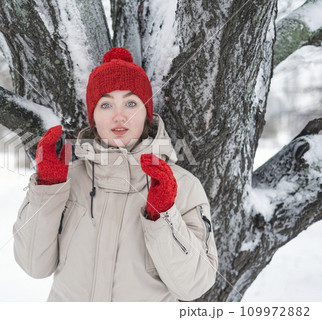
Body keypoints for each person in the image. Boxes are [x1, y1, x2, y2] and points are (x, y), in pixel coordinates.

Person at [13, 47, 218, 302]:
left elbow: (194, 286)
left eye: (131, 103)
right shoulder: (69, 181)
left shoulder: (182, 186)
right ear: (94, 117)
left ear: (147, 114)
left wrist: (163, 214)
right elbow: (33, 266)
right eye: (106, 104)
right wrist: (48, 188)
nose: (119, 115)